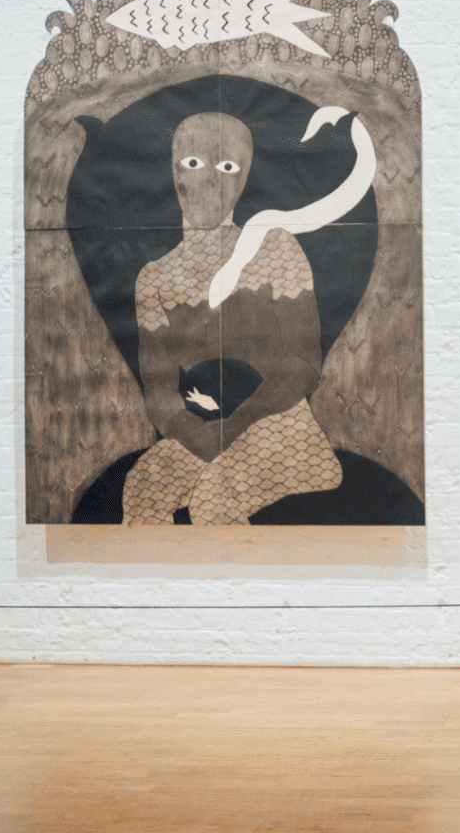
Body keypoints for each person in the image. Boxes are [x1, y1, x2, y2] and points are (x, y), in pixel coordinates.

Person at [122, 111, 342, 525]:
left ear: (242, 178)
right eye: (192, 163)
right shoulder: (154, 278)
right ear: (174, 172)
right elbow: (159, 390)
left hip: (280, 426)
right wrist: (197, 435)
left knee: (214, 502)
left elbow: (303, 365)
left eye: (226, 167)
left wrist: (234, 426)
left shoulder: (275, 249)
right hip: (198, 430)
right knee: (142, 493)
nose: (207, 180)